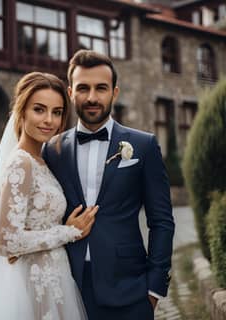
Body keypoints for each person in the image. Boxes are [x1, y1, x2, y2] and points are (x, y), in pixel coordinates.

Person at [43, 50, 175, 320]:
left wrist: (154, 288)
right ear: (70, 92)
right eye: (83, 88)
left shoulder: (144, 145)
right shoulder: (52, 149)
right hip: (67, 286)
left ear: (114, 92)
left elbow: (161, 220)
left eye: (100, 88)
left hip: (131, 289)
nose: (92, 97)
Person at [0, 72, 99, 320]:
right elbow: (7, 242)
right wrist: (70, 231)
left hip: (54, 276)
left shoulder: (40, 161)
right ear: (22, 111)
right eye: (39, 110)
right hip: (34, 283)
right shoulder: (20, 163)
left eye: (56, 112)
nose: (49, 120)